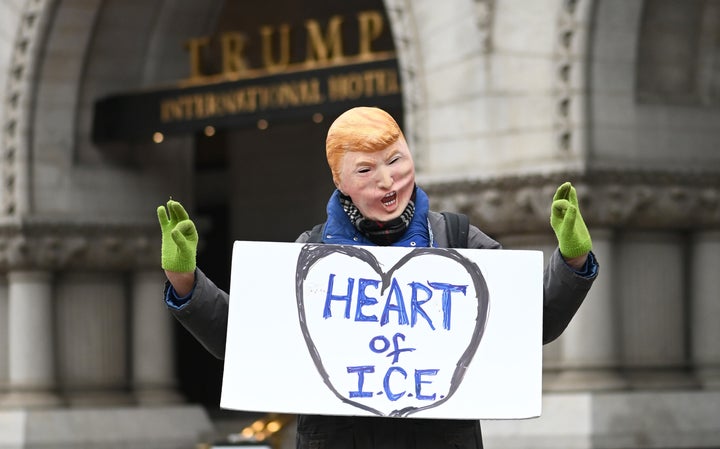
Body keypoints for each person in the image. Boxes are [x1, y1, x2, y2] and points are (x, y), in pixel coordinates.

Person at [157, 106, 598, 449]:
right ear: (340, 180)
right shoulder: (309, 253)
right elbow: (248, 341)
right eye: (366, 170)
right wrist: (186, 280)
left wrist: (571, 262)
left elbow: (529, 325)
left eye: (396, 160)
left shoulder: (460, 239)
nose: (387, 181)